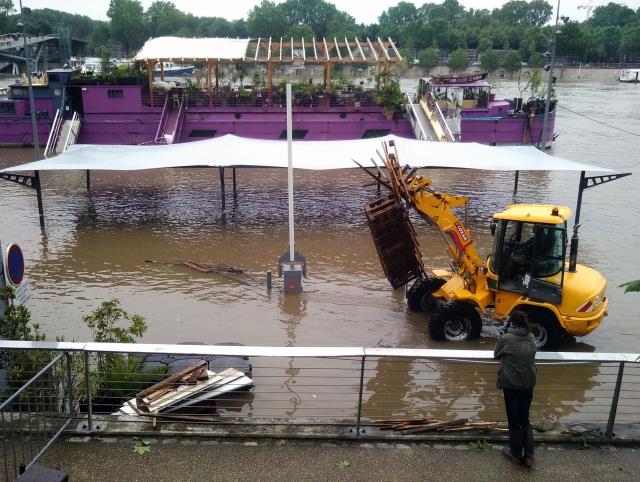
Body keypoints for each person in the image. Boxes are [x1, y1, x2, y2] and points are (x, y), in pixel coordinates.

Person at [494, 310, 537, 467]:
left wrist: (503, 335)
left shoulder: (506, 338)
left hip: (511, 385)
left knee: (514, 419)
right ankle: (530, 455)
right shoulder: (531, 337)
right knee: (524, 418)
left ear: (511, 322)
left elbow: (496, 354)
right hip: (528, 384)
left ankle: (516, 454)